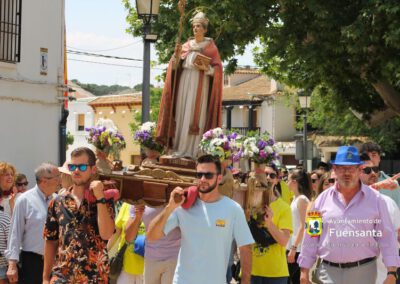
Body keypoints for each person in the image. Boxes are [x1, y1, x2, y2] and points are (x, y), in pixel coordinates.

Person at [298, 146, 400, 284]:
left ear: (359, 169)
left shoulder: (376, 200)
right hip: (327, 273)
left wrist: (392, 272)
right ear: (334, 169)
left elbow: (387, 237)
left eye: (351, 168)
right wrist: (304, 271)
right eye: (342, 168)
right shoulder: (320, 201)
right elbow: (311, 235)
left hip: (364, 272)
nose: (347, 173)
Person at [147, 155, 254, 284]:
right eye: (199, 175)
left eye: (208, 175)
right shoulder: (183, 206)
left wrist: (245, 281)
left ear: (219, 178)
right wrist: (170, 207)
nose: (203, 179)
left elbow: (245, 248)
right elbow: (152, 236)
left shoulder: (233, 209)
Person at [43, 147, 115, 283]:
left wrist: (100, 198)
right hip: (62, 278)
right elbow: (50, 241)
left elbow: (106, 234)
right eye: (72, 166)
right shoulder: (57, 202)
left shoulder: (105, 201)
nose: (76, 171)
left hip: (94, 278)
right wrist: (45, 278)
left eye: (82, 166)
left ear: (93, 169)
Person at [156, 11, 223, 158]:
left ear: (205, 29)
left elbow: (218, 70)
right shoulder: (186, 45)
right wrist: (176, 57)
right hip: (185, 82)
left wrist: (208, 69)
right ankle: (178, 147)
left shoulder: (210, 47)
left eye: (199, 26)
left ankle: (193, 151)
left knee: (196, 116)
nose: (196, 29)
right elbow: (174, 67)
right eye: (194, 26)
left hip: (201, 83)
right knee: (181, 112)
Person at [5, 163, 60, 284]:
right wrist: (12, 264)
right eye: (57, 177)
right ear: (44, 181)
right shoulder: (24, 200)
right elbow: (15, 232)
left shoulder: (58, 200)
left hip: (56, 263)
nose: (59, 181)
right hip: (32, 263)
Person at [359, 154, 400, 284]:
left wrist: (392, 272)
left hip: (382, 276)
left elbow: (397, 238)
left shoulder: (388, 202)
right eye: (367, 170)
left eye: (375, 169)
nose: (373, 173)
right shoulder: (341, 202)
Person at [251, 167, 293, 284]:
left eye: (272, 175)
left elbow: (284, 241)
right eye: (265, 174)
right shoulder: (248, 204)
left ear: (277, 180)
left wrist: (269, 224)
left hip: (275, 274)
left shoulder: (284, 208)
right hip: (250, 271)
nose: (268, 178)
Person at [126, 205, 180, 284]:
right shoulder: (139, 198)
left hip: (175, 259)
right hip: (150, 260)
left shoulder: (177, 194)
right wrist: (137, 217)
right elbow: (129, 237)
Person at [286, 169, 312, 284]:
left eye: (288, 180)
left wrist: (293, 248)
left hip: (297, 249)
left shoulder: (302, 200)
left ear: (295, 182)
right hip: (293, 246)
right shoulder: (295, 199)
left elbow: (304, 226)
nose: (286, 183)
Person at [113, 202, 145, 284]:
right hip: (125, 266)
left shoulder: (156, 206)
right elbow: (116, 233)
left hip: (147, 269)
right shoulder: (126, 205)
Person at [361, 142, 400, 207]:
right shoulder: (354, 182)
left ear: (379, 158)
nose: (370, 159)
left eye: (374, 155)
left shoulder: (392, 183)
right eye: (367, 156)